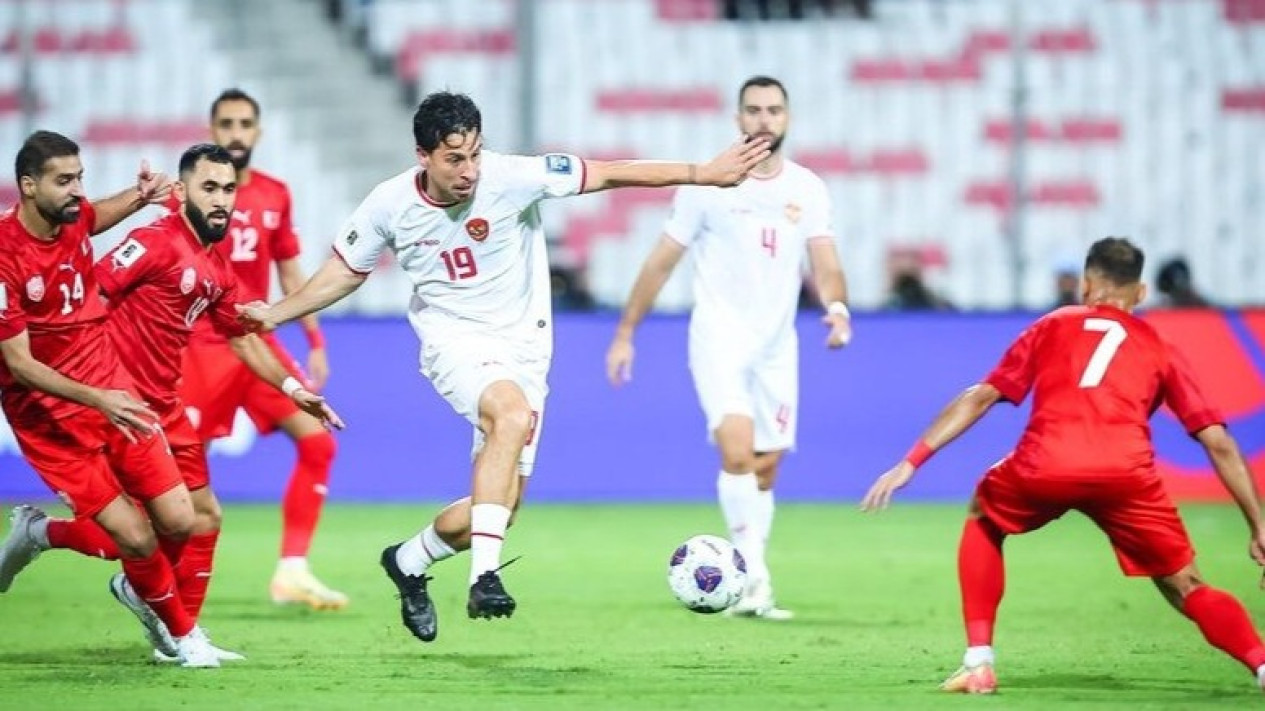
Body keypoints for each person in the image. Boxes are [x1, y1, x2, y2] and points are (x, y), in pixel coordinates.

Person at [236, 90, 770, 643]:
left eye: (474, 154)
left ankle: (408, 561)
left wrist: (702, 173)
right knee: (509, 418)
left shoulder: (512, 177)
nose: (469, 170)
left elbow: (609, 174)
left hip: (526, 348)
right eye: (454, 159)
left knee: (500, 508)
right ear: (423, 156)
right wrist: (276, 314)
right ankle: (484, 577)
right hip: (454, 339)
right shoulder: (388, 205)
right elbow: (344, 272)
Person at [861, 237, 1265, 696]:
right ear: (1141, 293)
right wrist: (1258, 525)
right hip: (1125, 474)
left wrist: (911, 462)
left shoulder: (1054, 324)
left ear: (1087, 284)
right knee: (1184, 583)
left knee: (984, 515)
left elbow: (983, 395)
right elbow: (1219, 442)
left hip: (1046, 463)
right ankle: (1261, 664)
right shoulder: (1159, 345)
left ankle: (978, 662)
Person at [17, 144, 346, 662]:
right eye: (208, 188)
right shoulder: (152, 242)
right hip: (116, 401)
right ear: (183, 192)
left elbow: (241, 336)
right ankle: (54, 541)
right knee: (139, 536)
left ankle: (177, 630)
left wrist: (294, 388)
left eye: (228, 190)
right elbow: (88, 295)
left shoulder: (215, 266)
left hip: (163, 405)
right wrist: (86, 378)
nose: (220, 200)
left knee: (201, 518)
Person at [605, 76, 850, 620]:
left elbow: (825, 261)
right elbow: (662, 261)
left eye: (774, 109)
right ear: (738, 119)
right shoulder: (706, 185)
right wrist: (626, 332)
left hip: (775, 346)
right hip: (719, 337)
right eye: (754, 110)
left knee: (764, 468)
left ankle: (751, 573)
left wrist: (837, 309)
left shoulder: (806, 188)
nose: (764, 119)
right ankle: (756, 578)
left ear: (788, 118)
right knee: (737, 452)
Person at [0, 130, 222, 667]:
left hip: (112, 391)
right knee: (137, 539)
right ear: (28, 187)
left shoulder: (71, 216)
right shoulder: (4, 256)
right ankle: (183, 637)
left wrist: (139, 195)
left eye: (80, 177)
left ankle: (42, 533)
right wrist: (97, 398)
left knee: (179, 519)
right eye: (64, 180)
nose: (77, 190)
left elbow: (93, 216)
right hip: (52, 416)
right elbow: (18, 364)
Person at [178, 89, 345, 609]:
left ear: (259, 132)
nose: (235, 132)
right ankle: (163, 580)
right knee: (184, 477)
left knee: (318, 442)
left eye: (245, 123)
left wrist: (313, 338)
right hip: (202, 345)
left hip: (257, 340)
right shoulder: (191, 199)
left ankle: (292, 570)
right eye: (225, 123)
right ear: (211, 128)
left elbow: (290, 271)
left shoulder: (275, 194)